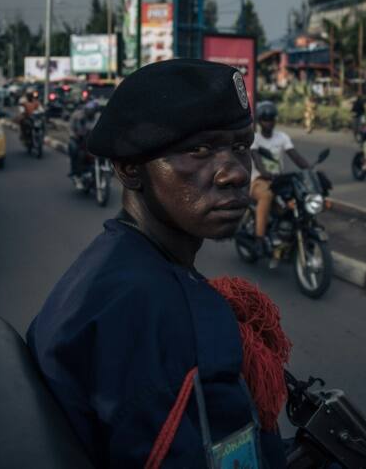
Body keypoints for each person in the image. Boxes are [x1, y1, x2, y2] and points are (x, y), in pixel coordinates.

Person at [27, 59, 291, 468]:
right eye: (198, 150)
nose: (235, 173)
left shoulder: (117, 266)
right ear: (130, 169)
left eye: (240, 146)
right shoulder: (162, 318)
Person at [250, 101, 310, 255]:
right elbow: (257, 161)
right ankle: (259, 238)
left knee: (296, 199)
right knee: (266, 196)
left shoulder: (282, 137)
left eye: (271, 119)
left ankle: (289, 234)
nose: (269, 123)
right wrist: (265, 173)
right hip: (258, 181)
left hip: (278, 181)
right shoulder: (255, 139)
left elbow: (295, 156)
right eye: (265, 119)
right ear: (259, 121)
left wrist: (310, 168)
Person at [67, 100, 100, 177]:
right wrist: (74, 135)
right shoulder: (77, 115)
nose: (90, 112)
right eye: (89, 110)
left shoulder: (98, 117)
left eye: (92, 111)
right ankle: (74, 170)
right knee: (74, 148)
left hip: (92, 140)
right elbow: (70, 127)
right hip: (78, 139)